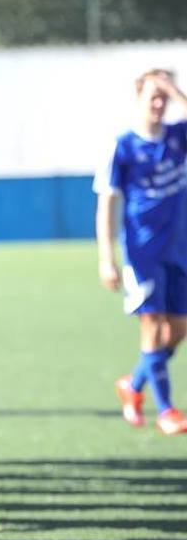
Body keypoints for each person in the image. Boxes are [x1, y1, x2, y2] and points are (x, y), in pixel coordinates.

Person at [95, 68, 187, 435]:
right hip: (142, 254)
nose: (159, 103)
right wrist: (107, 258)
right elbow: (107, 204)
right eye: (153, 95)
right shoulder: (123, 146)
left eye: (164, 97)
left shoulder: (178, 137)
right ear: (138, 100)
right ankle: (166, 410)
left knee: (178, 329)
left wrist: (173, 88)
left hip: (179, 250)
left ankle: (133, 384)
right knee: (152, 326)